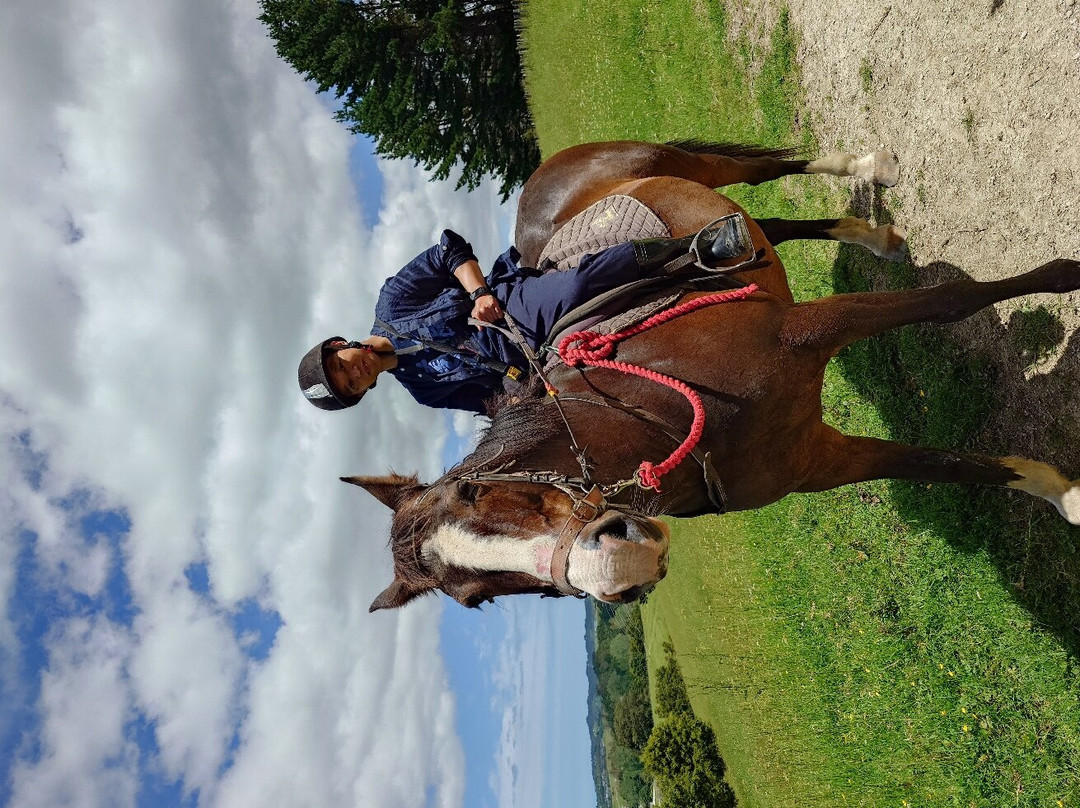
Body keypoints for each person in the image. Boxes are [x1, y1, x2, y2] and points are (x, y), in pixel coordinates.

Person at [298, 223, 750, 415]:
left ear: (341, 344)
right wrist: (516, 405)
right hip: (525, 370)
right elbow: (486, 401)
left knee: (576, 287)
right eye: (350, 384)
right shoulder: (424, 392)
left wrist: (478, 293)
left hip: (511, 309)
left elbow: (446, 249)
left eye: (341, 365)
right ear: (365, 390)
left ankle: (696, 247)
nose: (353, 372)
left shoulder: (392, 304)